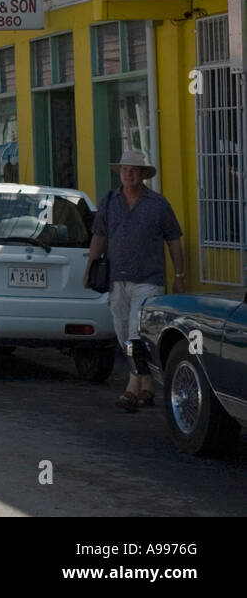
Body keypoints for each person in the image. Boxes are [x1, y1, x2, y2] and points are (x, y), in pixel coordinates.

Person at [85, 149, 184, 412]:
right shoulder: (109, 201)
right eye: (124, 169)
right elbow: (99, 236)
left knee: (134, 334)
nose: (128, 173)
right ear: (120, 172)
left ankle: (131, 387)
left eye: (133, 170)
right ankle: (147, 383)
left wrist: (179, 275)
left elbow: (174, 239)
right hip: (117, 279)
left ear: (142, 174)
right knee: (122, 332)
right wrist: (89, 267)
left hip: (148, 280)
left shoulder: (158, 204)